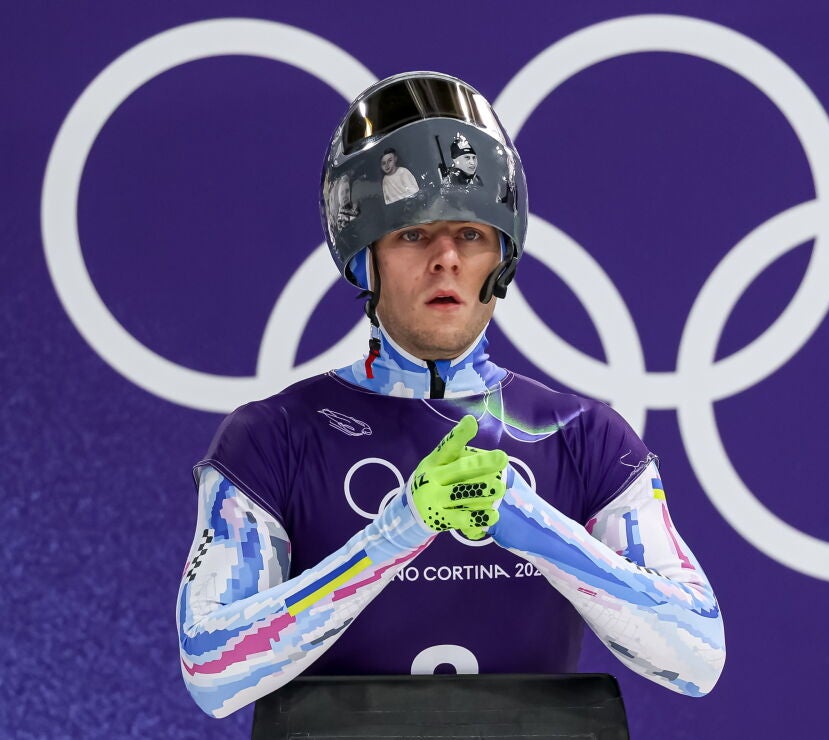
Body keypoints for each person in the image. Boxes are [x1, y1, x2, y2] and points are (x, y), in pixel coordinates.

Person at [176, 71, 725, 719]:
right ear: (364, 259)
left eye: (470, 234)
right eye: (411, 233)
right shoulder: (273, 436)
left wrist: (537, 527)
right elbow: (210, 671)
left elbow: (698, 657)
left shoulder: (581, 435)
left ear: (502, 256)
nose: (446, 259)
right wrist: (394, 535)